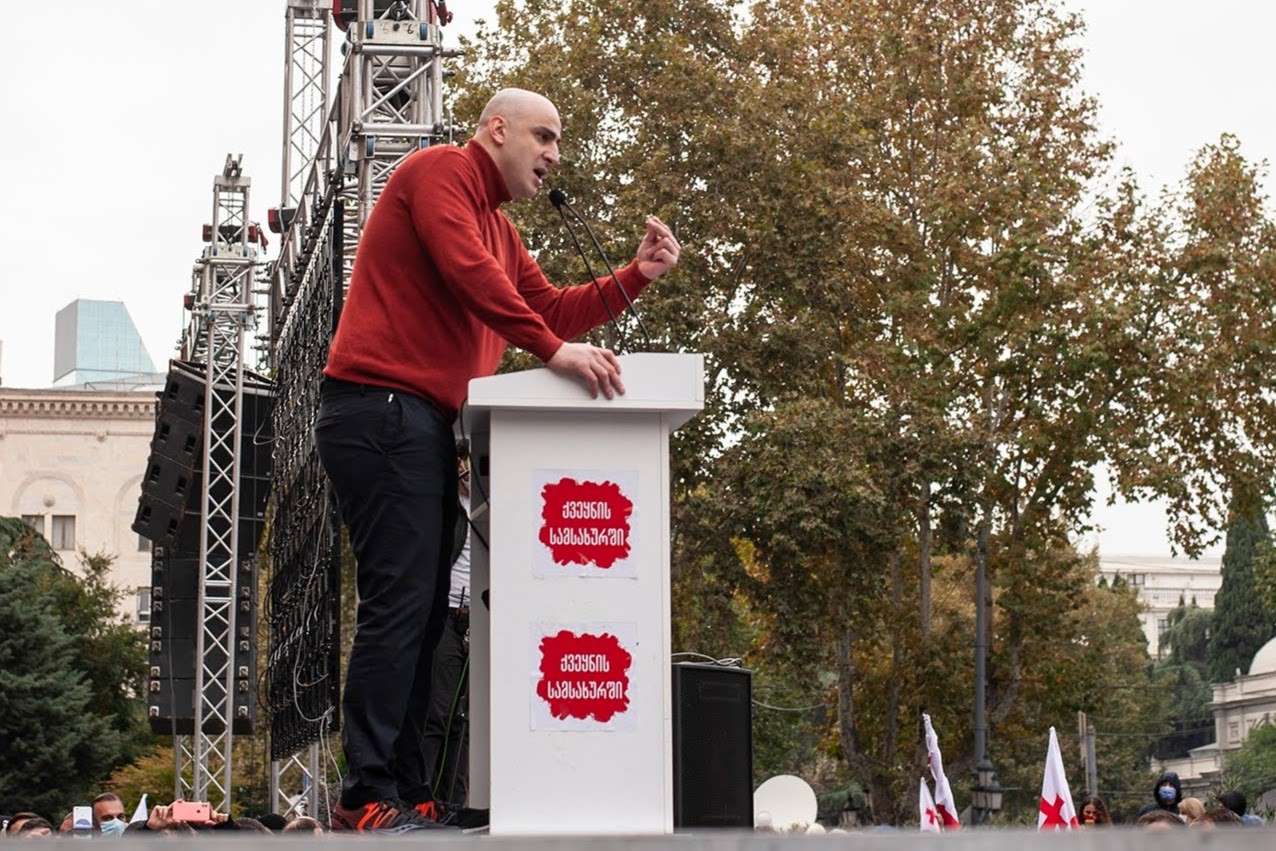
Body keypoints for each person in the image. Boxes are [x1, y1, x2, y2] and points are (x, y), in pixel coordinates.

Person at [315, 87, 680, 833]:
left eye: (558, 144)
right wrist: (555, 353)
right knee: (398, 606)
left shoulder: (501, 231)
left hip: (418, 422)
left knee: (421, 615)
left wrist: (634, 274)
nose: (553, 156)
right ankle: (363, 793)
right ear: (497, 129)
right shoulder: (438, 171)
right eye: (544, 137)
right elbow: (473, 281)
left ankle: (407, 790)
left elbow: (548, 308)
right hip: (380, 409)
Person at [418, 448, 475, 810]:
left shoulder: (492, 505)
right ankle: (423, 798)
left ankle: (456, 803)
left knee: (465, 720)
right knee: (437, 713)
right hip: (446, 615)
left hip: (479, 619)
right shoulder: (444, 503)